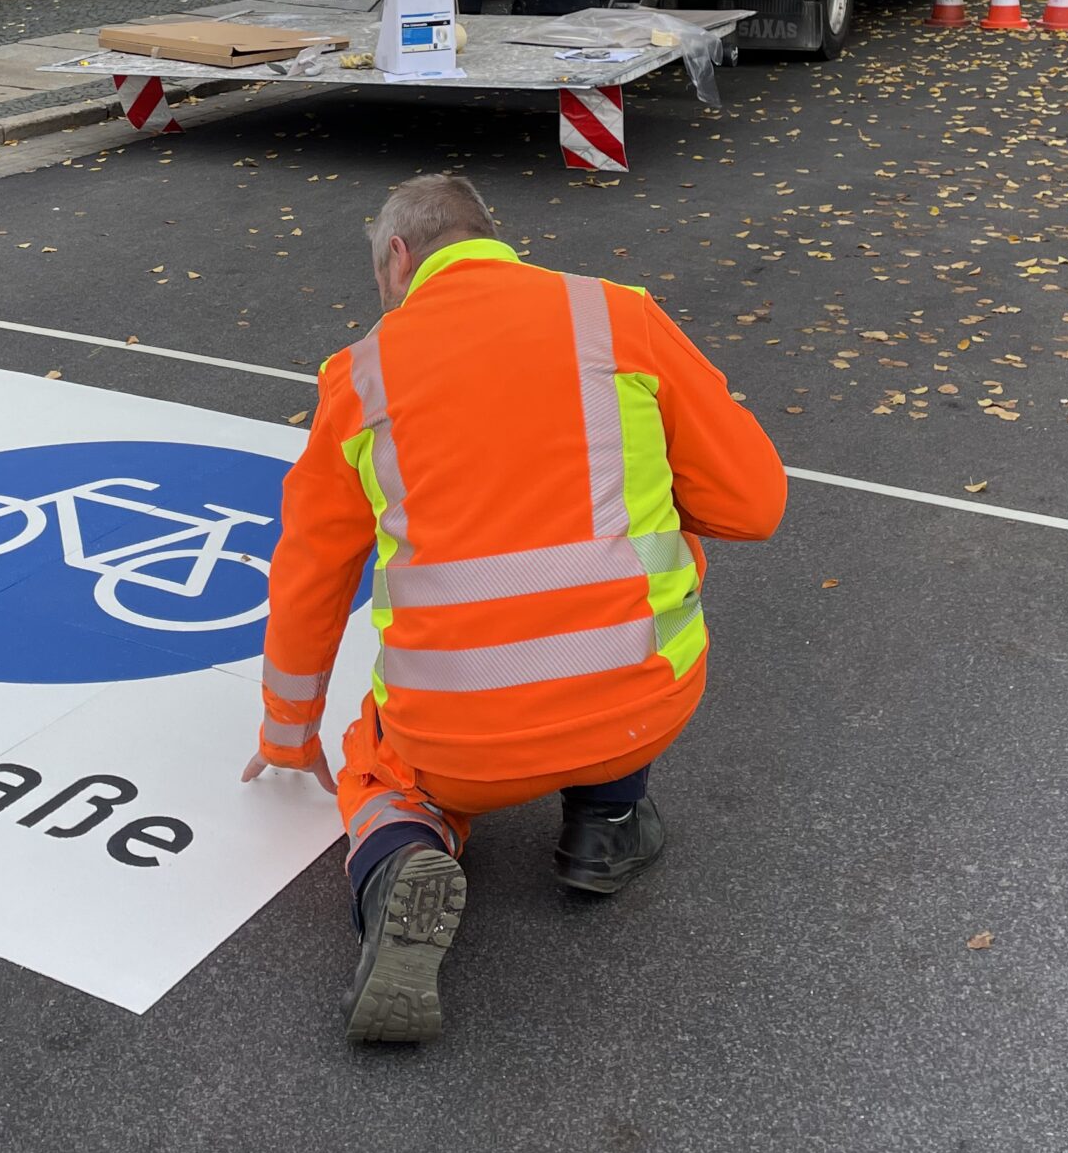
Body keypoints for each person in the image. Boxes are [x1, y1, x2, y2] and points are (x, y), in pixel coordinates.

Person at [243, 173, 786, 1042]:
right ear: (489, 235)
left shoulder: (359, 378)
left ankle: (401, 858)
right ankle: (605, 823)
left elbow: (311, 570)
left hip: (462, 740)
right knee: (620, 662)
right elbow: (757, 506)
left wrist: (286, 726)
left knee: (377, 759)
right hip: (641, 698)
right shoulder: (618, 318)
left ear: (397, 256)